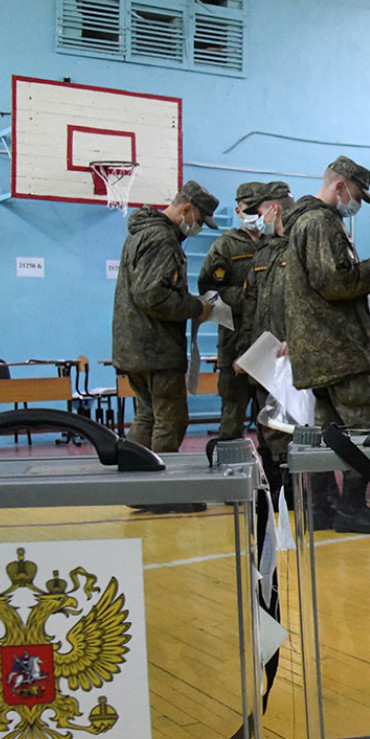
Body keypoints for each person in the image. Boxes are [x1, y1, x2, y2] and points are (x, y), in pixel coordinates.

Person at [283, 157, 370, 533]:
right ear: (341, 185)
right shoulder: (320, 223)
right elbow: (334, 282)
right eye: (358, 194)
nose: (357, 203)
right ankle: (351, 507)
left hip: (321, 348)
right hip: (338, 348)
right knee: (368, 428)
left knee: (329, 432)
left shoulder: (306, 222)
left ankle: (322, 508)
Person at [111, 181, 217, 513]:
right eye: (198, 219)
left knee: (146, 415)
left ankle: (137, 487)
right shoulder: (163, 240)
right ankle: (161, 490)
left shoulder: (141, 233)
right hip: (155, 347)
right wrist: (195, 307)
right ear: (186, 209)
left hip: (133, 345)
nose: (197, 227)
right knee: (170, 419)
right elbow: (151, 295)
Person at [233, 181, 295, 512]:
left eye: (260, 210)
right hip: (265, 356)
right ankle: (272, 499)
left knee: (293, 432)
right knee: (268, 430)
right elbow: (250, 306)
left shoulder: (301, 241)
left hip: (294, 355)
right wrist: (245, 352)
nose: (257, 217)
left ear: (275, 209)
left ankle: (296, 497)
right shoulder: (265, 252)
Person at [198, 181, 263, 439]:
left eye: (260, 210)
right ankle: (227, 474)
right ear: (238, 211)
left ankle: (276, 477)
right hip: (234, 345)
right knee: (232, 420)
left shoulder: (275, 243)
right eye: (250, 210)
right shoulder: (225, 246)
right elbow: (209, 291)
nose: (255, 216)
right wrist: (248, 296)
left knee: (272, 424)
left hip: (268, 344)